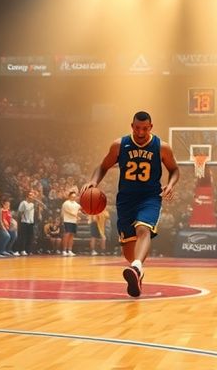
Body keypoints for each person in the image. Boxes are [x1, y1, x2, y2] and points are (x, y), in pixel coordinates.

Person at [82, 111, 180, 297]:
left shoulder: (162, 147)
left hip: (150, 197)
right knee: (129, 252)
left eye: (144, 128)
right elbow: (103, 166)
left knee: (143, 229)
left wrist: (170, 184)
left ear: (151, 127)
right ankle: (138, 270)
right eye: (137, 128)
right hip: (126, 200)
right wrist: (94, 181)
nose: (141, 132)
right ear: (132, 126)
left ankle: (136, 267)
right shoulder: (120, 145)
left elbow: (174, 169)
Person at [61, 191, 81, 256]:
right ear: (69, 196)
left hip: (74, 221)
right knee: (67, 235)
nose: (73, 198)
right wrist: (76, 216)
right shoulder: (66, 203)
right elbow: (69, 212)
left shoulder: (76, 204)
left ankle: (70, 250)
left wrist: (78, 216)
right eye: (72, 196)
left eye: (74, 197)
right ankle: (64, 250)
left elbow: (80, 210)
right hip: (67, 221)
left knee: (72, 236)